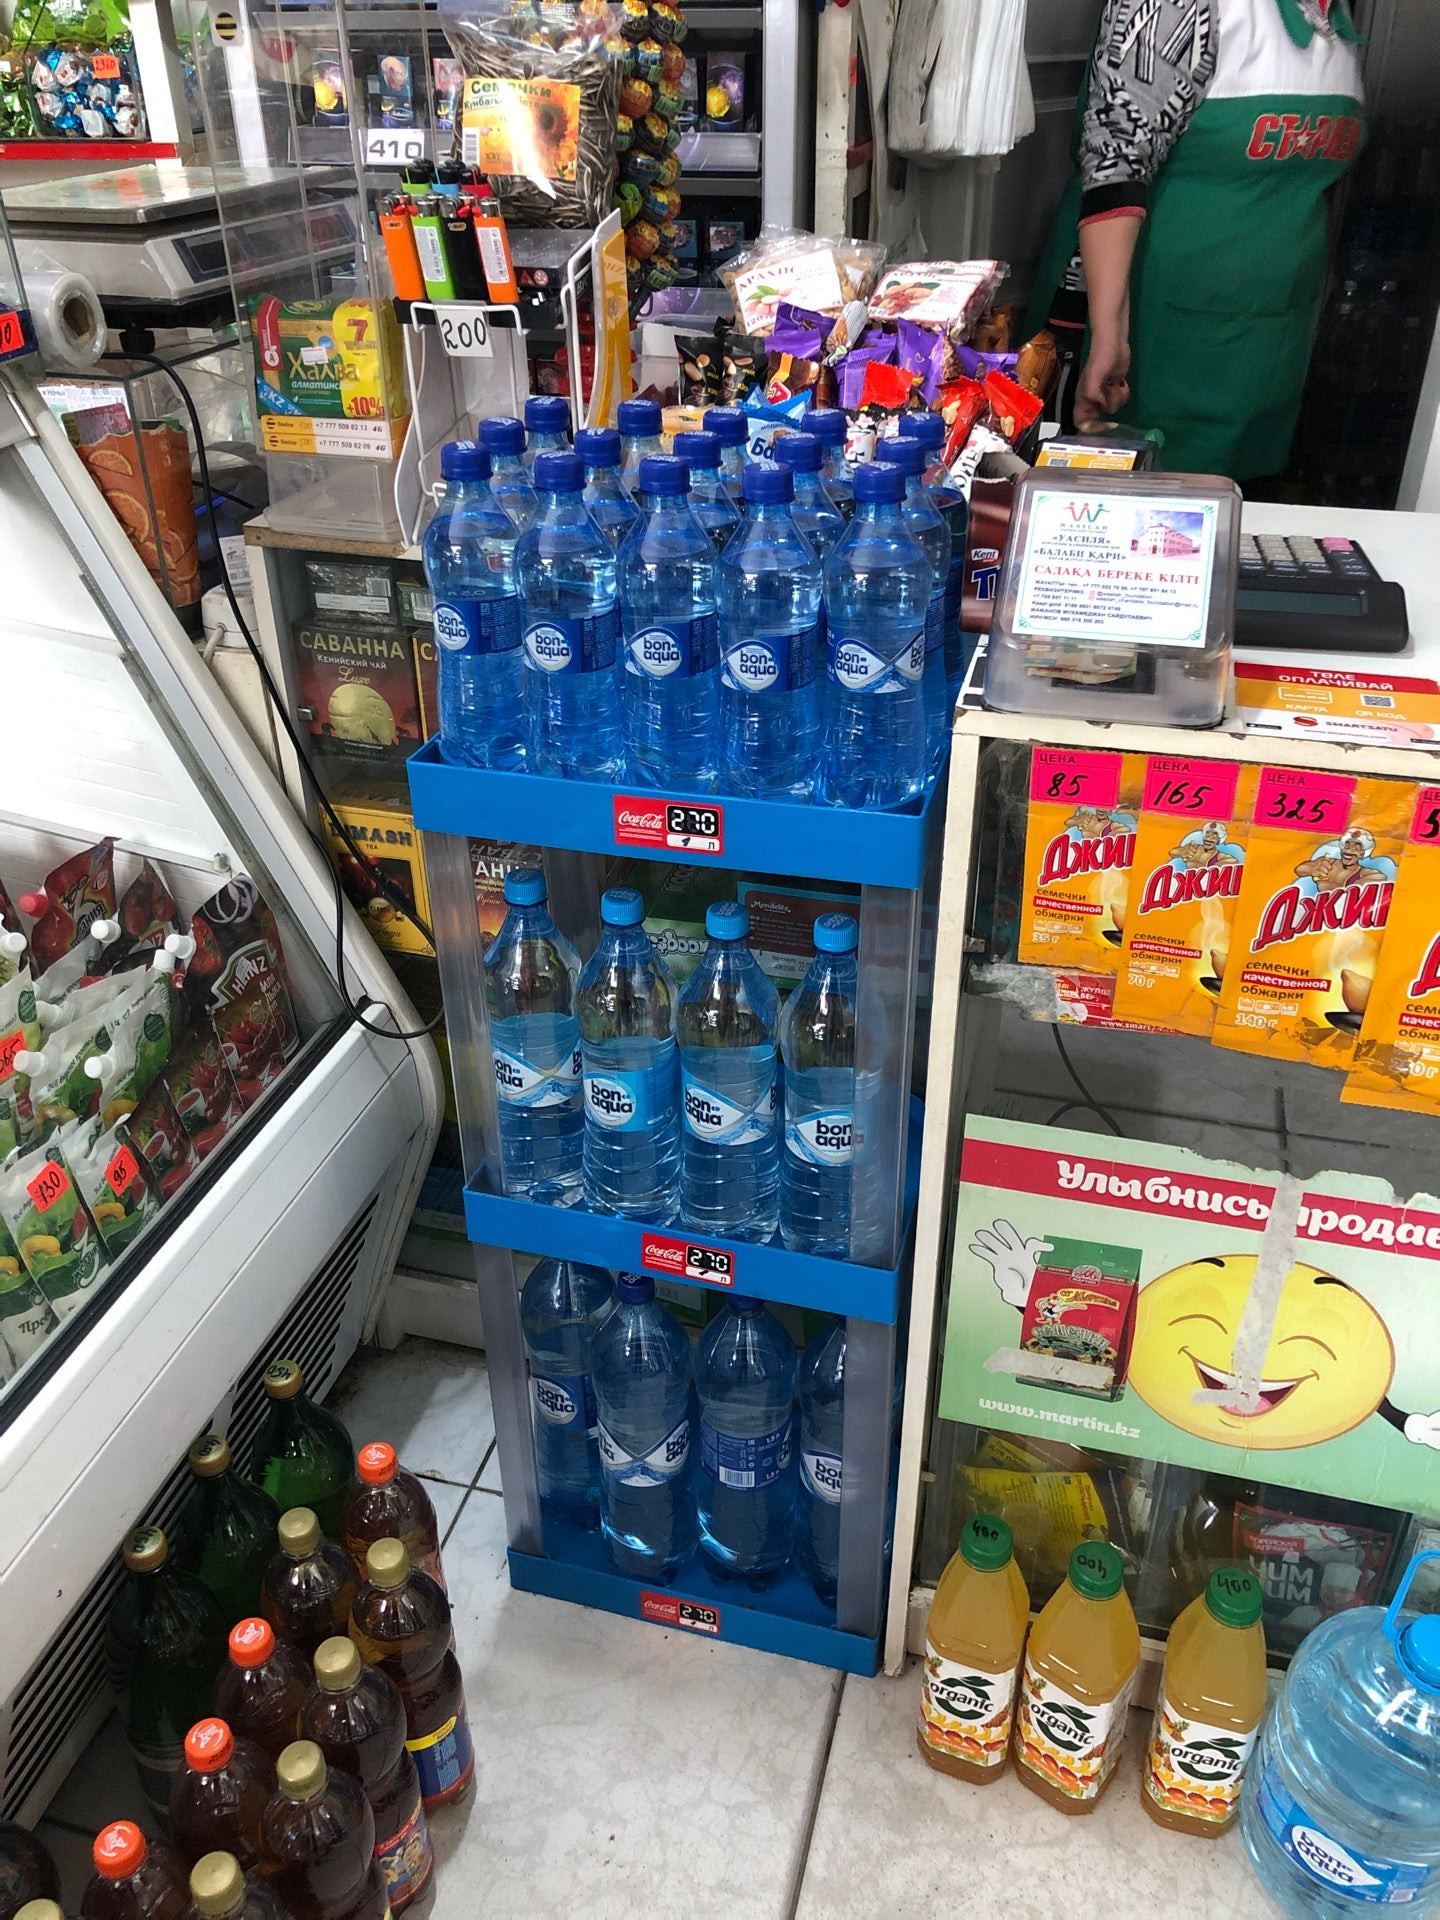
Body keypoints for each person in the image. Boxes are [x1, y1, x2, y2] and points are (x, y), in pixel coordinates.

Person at [1032, 0, 1365, 479]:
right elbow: (1115, 165)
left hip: (1265, 347)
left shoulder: (1335, 20)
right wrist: (1110, 336)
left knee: (1236, 507)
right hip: (1152, 339)